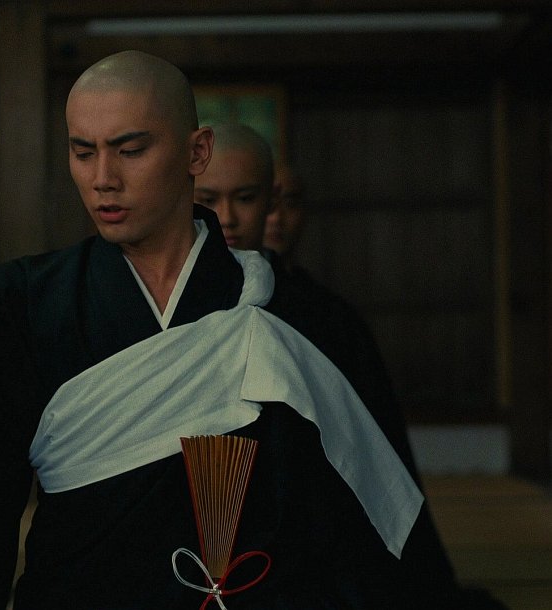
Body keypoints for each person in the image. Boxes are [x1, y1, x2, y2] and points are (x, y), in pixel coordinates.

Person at [0, 50, 433, 609]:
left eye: (129, 149)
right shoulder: (27, 302)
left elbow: (356, 513)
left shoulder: (290, 313)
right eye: (82, 151)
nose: (102, 179)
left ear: (196, 153)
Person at [195, 122, 508, 609]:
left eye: (247, 198)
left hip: (308, 530)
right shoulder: (173, 306)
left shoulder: (326, 317)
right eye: (210, 199)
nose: (228, 218)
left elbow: (373, 447)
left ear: (269, 202)